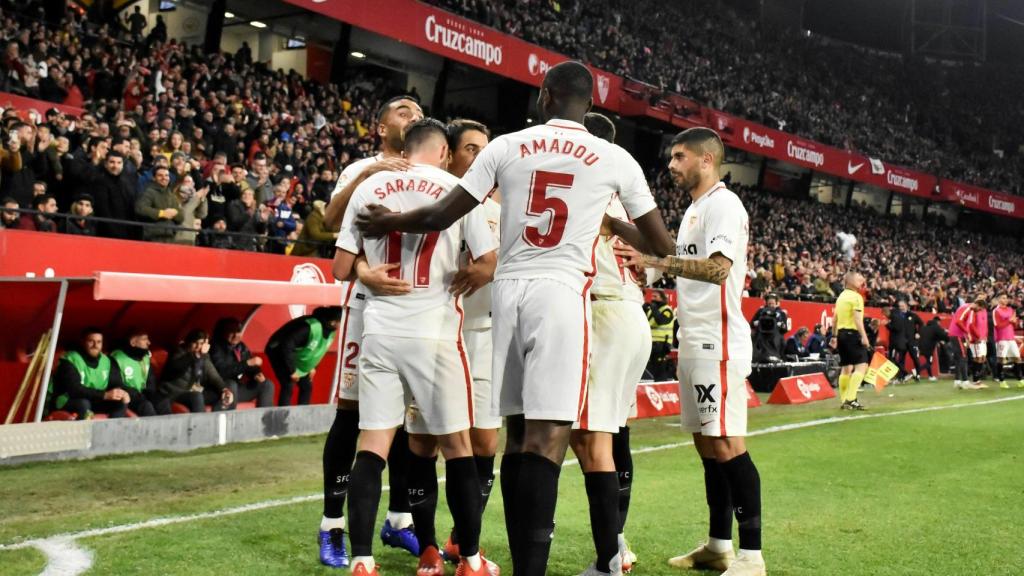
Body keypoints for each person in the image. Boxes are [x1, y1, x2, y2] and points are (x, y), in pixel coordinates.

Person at [356, 62, 674, 576]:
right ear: (590, 105)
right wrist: (613, 223)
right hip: (562, 295)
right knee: (549, 440)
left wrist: (390, 220)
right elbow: (661, 245)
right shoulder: (614, 157)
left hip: (508, 293)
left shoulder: (506, 146)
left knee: (517, 438)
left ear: (545, 96)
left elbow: (441, 214)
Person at [332, 118, 499, 576]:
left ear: (405, 149)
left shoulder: (370, 188)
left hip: (381, 331)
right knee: (458, 447)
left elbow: (340, 268)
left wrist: (365, 271)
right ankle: (470, 560)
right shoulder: (459, 192)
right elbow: (487, 262)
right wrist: (472, 274)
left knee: (373, 446)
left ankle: (362, 560)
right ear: (444, 152)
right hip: (436, 334)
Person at [613, 127, 765, 576]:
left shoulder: (724, 205)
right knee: (707, 446)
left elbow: (718, 270)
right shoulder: (695, 210)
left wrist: (657, 261)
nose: (672, 165)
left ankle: (752, 556)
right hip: (695, 339)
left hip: (719, 341)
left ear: (706, 159)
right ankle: (719, 546)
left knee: (727, 443)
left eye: (680, 157)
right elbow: (683, 263)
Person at [317, 95, 424, 570]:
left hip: (420, 307)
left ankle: (399, 519)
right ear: (381, 127)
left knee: (407, 418)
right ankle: (332, 525)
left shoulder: (432, 174)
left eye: (418, 112)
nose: (413, 116)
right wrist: (368, 175)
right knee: (353, 414)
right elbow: (330, 220)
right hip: (368, 307)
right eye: (403, 111)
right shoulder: (361, 169)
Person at [570, 111, 651, 575]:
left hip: (603, 313)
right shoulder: (624, 197)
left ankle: (610, 557)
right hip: (631, 314)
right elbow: (653, 257)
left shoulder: (587, 189)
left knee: (590, 438)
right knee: (615, 433)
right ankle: (617, 543)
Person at [439, 118, 503, 563]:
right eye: (471, 149)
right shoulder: (435, 203)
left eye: (485, 149)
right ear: (450, 154)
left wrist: (493, 266)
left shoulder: (504, 207)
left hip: (485, 335)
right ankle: (413, 530)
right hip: (439, 333)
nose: (481, 157)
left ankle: (464, 538)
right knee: (425, 441)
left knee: (483, 442)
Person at [47, 327, 130, 420]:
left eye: (99, 342)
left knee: (120, 402)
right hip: (68, 400)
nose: (95, 345)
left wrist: (122, 393)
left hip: (96, 399)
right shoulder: (71, 359)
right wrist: (104, 395)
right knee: (83, 404)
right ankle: (84, 429)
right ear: (83, 342)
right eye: (91, 341)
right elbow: (74, 390)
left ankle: (112, 428)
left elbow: (117, 383)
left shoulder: (107, 361)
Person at [265, 306, 341, 406]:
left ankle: (303, 413)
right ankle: (283, 413)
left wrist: (312, 367)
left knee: (306, 386)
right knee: (288, 384)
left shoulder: (331, 332)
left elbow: (319, 351)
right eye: (341, 322)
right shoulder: (308, 327)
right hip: (278, 350)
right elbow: (286, 345)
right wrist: (292, 371)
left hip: (296, 355)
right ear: (333, 322)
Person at [158, 330, 235, 412]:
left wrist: (224, 389)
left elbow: (214, 376)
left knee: (225, 392)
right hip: (174, 392)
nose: (198, 346)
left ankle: (220, 419)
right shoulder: (179, 352)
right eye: (195, 343)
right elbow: (175, 368)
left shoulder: (203, 357)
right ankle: (201, 421)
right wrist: (195, 355)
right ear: (189, 342)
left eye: (201, 343)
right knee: (196, 396)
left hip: (193, 391)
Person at [209, 318, 275, 407]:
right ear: (223, 333)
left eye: (238, 331)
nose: (236, 335)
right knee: (231, 384)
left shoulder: (241, 346)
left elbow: (250, 366)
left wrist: (256, 373)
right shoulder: (215, 347)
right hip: (220, 390)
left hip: (237, 389)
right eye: (232, 332)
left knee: (267, 384)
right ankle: (230, 415)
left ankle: (265, 415)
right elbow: (221, 373)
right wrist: (247, 363)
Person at [833, 272, 870, 410]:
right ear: (850, 281)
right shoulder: (856, 297)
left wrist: (833, 336)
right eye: (858, 279)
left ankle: (844, 400)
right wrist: (864, 337)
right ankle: (850, 399)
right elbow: (857, 320)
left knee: (846, 368)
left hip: (841, 334)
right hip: (852, 334)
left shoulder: (841, 297)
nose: (862, 281)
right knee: (862, 365)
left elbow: (835, 319)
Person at [109, 329, 162, 416]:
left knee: (162, 402)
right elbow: (116, 383)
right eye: (144, 339)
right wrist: (137, 395)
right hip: (126, 396)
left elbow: (151, 383)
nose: (149, 342)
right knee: (146, 406)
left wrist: (151, 394)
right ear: (133, 342)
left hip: (143, 395)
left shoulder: (145, 358)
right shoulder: (116, 358)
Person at [135, 165, 183, 243]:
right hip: (153, 237)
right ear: (154, 178)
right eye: (160, 175)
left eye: (166, 175)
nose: (164, 178)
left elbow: (181, 217)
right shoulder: (148, 192)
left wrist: (175, 213)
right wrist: (162, 213)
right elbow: (140, 208)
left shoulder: (171, 195)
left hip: (170, 237)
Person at [947, 297, 987, 390]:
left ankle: (957, 381)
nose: (979, 311)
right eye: (980, 309)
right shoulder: (968, 308)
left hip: (955, 334)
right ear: (977, 305)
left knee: (958, 358)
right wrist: (967, 333)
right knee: (963, 357)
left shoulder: (967, 308)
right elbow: (959, 321)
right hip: (957, 334)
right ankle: (965, 381)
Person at [991, 294, 1022, 388]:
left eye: (1006, 298)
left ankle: (1020, 379)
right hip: (1001, 338)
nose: (1006, 299)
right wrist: (1009, 321)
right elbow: (997, 325)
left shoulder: (1010, 310)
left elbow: (1014, 325)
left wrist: (1014, 322)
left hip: (1011, 338)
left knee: (1017, 358)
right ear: (998, 299)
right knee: (1001, 359)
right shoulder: (996, 311)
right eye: (1003, 298)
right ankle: (1002, 380)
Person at [887, 300, 923, 382]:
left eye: (902, 306)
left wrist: (918, 332)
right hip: (901, 341)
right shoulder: (897, 316)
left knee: (915, 358)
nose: (901, 307)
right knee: (901, 359)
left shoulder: (912, 315)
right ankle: (902, 376)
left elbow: (921, 323)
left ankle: (918, 375)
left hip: (911, 341)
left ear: (906, 306)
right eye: (900, 306)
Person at [645, 290, 676, 380]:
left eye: (655, 296)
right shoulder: (651, 310)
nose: (652, 298)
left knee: (660, 369)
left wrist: (654, 309)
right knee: (653, 369)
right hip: (651, 342)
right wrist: (644, 309)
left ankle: (663, 385)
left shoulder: (667, 310)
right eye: (652, 296)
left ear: (662, 298)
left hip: (662, 344)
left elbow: (661, 321)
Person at [749, 295, 788, 363]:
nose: (771, 305)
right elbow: (751, 324)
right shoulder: (760, 311)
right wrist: (757, 323)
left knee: (783, 344)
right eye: (769, 303)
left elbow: (785, 329)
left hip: (776, 338)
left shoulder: (781, 313)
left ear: (776, 303)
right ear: (766, 303)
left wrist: (781, 326)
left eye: (773, 303)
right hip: (761, 337)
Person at [917, 317, 948, 381]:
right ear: (937, 322)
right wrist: (947, 338)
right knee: (929, 363)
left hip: (921, 347)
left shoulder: (924, 327)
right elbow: (941, 335)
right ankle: (917, 370)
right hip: (929, 348)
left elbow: (931, 336)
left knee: (928, 361)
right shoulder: (935, 328)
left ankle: (930, 376)